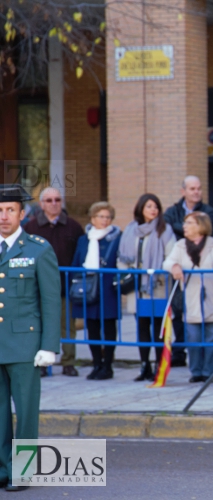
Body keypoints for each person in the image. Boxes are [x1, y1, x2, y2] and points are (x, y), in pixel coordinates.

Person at [0, 185, 60, 492]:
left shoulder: (38, 249)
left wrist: (49, 346)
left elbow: (51, 300)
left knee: (24, 413)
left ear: (22, 214)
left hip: (25, 346)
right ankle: (2, 468)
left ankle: (21, 471)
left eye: (10, 209)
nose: (3, 216)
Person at [23, 186, 84, 377]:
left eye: (57, 199)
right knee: (39, 325)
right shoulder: (30, 227)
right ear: (42, 204)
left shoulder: (73, 226)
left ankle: (68, 363)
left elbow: (80, 253)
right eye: (49, 200)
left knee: (67, 327)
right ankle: (40, 363)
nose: (54, 203)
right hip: (38, 287)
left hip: (65, 287)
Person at [118, 194, 176, 382]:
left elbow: (171, 256)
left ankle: (160, 366)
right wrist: (128, 274)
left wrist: (158, 271)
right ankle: (145, 365)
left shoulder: (165, 230)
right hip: (137, 287)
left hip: (157, 286)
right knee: (141, 326)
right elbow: (122, 257)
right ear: (141, 208)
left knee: (158, 328)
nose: (153, 210)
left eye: (156, 206)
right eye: (149, 206)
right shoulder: (130, 230)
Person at [164, 176, 213, 367]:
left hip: (211, 295)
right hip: (191, 296)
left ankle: (209, 370)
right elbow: (167, 261)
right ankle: (196, 371)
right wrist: (174, 266)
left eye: (189, 224)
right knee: (193, 336)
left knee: (212, 336)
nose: (184, 227)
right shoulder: (180, 244)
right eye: (185, 223)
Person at [70, 202, 122, 380]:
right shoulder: (84, 239)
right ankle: (96, 364)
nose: (105, 220)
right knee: (91, 327)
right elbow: (77, 262)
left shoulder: (117, 238)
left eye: (108, 217)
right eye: (101, 216)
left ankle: (107, 366)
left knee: (108, 327)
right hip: (89, 288)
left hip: (108, 289)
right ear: (92, 218)